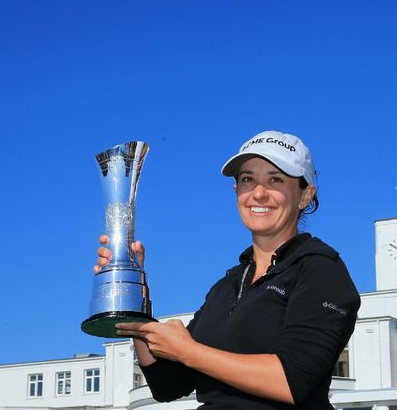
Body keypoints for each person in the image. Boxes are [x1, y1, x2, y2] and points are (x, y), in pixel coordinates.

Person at [97, 131, 361, 409]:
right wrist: (134, 299)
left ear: (305, 195)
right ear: (236, 192)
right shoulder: (229, 285)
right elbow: (168, 385)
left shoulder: (321, 270)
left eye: (276, 179)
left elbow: (292, 380)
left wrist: (188, 350)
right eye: (248, 179)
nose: (259, 193)